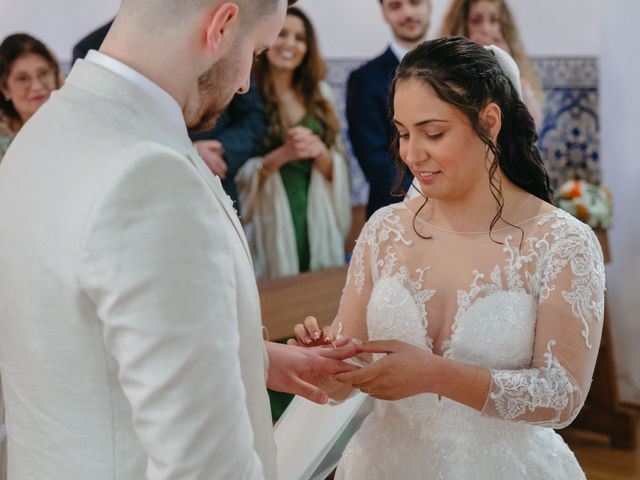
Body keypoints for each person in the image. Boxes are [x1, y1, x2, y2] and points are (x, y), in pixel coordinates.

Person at [0, 0, 362, 478]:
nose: (244, 83)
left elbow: (85, 335)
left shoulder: (47, 131)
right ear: (222, 25)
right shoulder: (149, 176)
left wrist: (251, 358)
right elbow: (204, 465)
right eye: (254, 53)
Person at [289, 37, 605, 478]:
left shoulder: (562, 243)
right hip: (382, 465)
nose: (411, 154)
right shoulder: (385, 229)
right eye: (402, 133)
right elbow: (355, 367)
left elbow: (562, 396)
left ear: (489, 122)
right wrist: (328, 362)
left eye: (433, 133)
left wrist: (435, 375)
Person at [73, 18, 268, 207]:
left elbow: (253, 116)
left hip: (216, 184)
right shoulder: (92, 48)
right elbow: (100, 127)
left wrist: (224, 147)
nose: (244, 85)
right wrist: (189, 150)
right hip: (140, 195)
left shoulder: (217, 32)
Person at [236, 6, 351, 280]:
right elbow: (236, 174)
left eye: (299, 38)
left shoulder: (320, 95)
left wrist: (320, 152)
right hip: (270, 218)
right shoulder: (246, 93)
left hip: (317, 212)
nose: (290, 44)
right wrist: (282, 155)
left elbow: (337, 163)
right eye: (281, 34)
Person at [347, 0, 432, 218]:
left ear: (429, 4)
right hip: (395, 212)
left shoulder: (455, 72)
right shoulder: (364, 80)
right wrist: (431, 195)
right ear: (384, 13)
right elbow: (374, 159)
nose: (408, 13)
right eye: (396, 6)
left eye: (414, 2)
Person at [440, 0, 544, 129]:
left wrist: (508, 67)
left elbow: (532, 126)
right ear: (461, 27)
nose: (486, 29)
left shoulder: (514, 67)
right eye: (476, 21)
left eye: (494, 20)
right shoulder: (444, 71)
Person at [0, 33, 62, 163]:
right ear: (4, 88)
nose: (37, 87)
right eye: (22, 78)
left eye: (43, 73)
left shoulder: (82, 120)